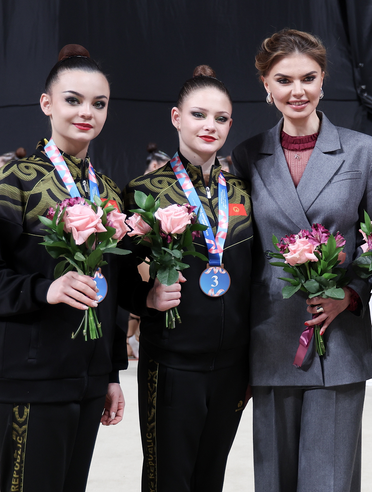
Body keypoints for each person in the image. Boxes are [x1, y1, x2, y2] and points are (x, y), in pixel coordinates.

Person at [230, 29, 372, 492]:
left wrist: (351, 295)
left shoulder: (364, 151)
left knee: (329, 480)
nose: (297, 91)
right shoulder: (247, 155)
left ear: (323, 80)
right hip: (272, 334)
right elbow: (245, 251)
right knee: (273, 479)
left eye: (308, 78)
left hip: (338, 338)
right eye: (283, 80)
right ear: (265, 85)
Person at [0, 44, 126, 492]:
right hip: (31, 380)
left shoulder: (108, 190)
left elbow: (109, 290)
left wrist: (110, 374)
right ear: (46, 104)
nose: (86, 112)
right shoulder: (13, 181)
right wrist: (43, 289)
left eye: (99, 103)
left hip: (88, 383)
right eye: (73, 100)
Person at [124, 65, 253, 492]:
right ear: (176, 117)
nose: (210, 126)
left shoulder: (241, 192)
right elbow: (121, 276)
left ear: (231, 125)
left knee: (210, 478)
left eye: (220, 118)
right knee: (167, 480)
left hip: (232, 366)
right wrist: (146, 300)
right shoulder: (143, 190)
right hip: (172, 363)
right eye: (199, 114)